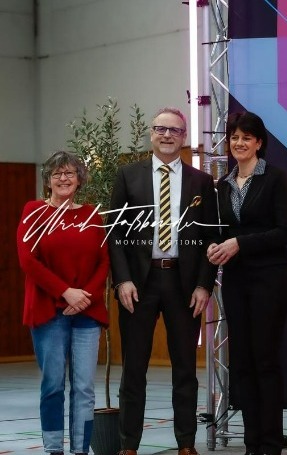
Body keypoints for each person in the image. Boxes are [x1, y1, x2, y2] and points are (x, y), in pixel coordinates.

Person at [108, 107, 218, 455]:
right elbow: (115, 233)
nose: (167, 135)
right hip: (138, 285)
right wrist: (122, 280)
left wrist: (204, 284)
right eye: (161, 129)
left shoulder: (201, 182)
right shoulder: (128, 176)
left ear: (184, 137)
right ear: (151, 134)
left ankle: (186, 443)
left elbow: (210, 237)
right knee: (134, 369)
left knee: (185, 369)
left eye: (174, 130)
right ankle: (128, 446)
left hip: (184, 285)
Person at [207, 112, 287, 455]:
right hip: (236, 282)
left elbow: (286, 231)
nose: (239, 143)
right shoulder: (222, 185)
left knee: (265, 362)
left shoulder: (275, 178)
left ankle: (270, 444)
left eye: (246, 137)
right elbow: (222, 232)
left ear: (259, 142)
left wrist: (240, 244)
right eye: (234, 137)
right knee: (242, 363)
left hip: (269, 281)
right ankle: (251, 443)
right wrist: (216, 246)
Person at [17, 151, 109, 455]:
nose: (64, 178)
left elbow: (104, 262)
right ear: (48, 181)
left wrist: (84, 297)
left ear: (79, 179)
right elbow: (27, 260)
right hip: (48, 312)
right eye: (57, 174)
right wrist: (65, 292)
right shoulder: (33, 211)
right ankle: (54, 449)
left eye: (70, 173)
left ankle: (81, 450)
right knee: (53, 385)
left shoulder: (92, 215)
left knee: (84, 388)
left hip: (87, 312)